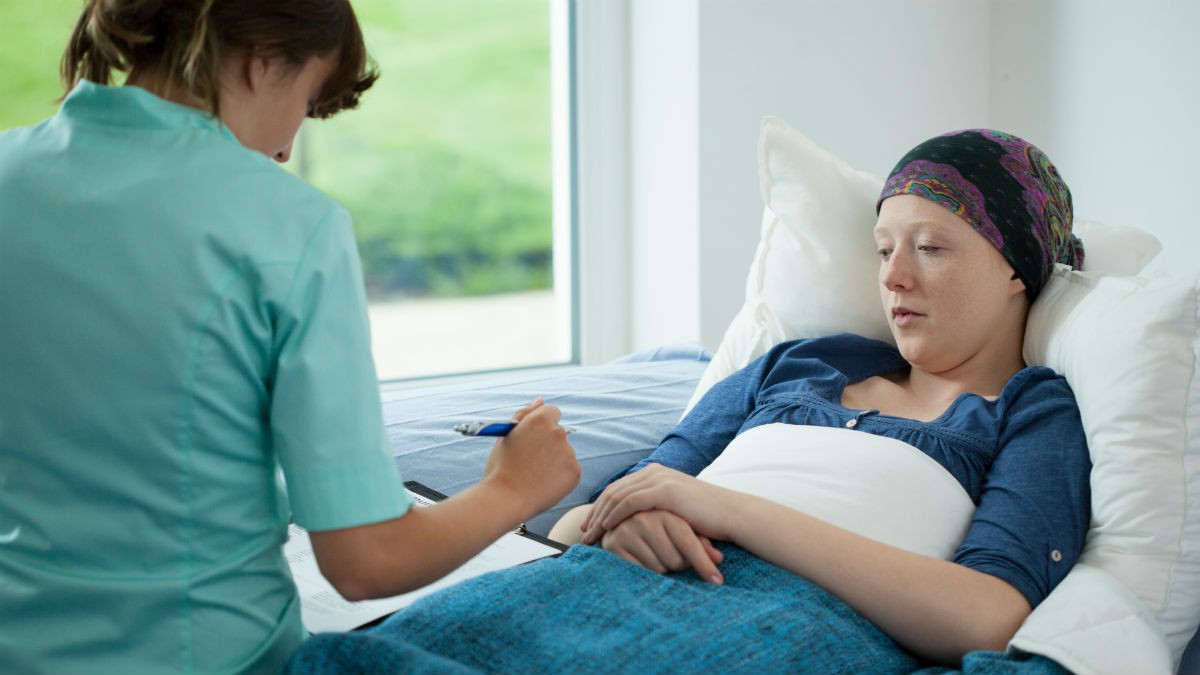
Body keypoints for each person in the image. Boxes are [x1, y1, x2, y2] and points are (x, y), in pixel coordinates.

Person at [281, 128, 1091, 675]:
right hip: (588, 585)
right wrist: (629, 515)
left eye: (932, 247)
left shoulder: (1034, 410)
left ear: (1018, 266)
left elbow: (987, 617)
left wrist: (721, 507)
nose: (893, 276)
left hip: (783, 627)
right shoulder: (801, 363)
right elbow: (576, 522)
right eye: (884, 249)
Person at [0, 2, 579, 674]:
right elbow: (366, 560)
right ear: (263, 60)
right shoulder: (290, 226)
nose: (285, 147)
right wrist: (514, 488)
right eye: (306, 102)